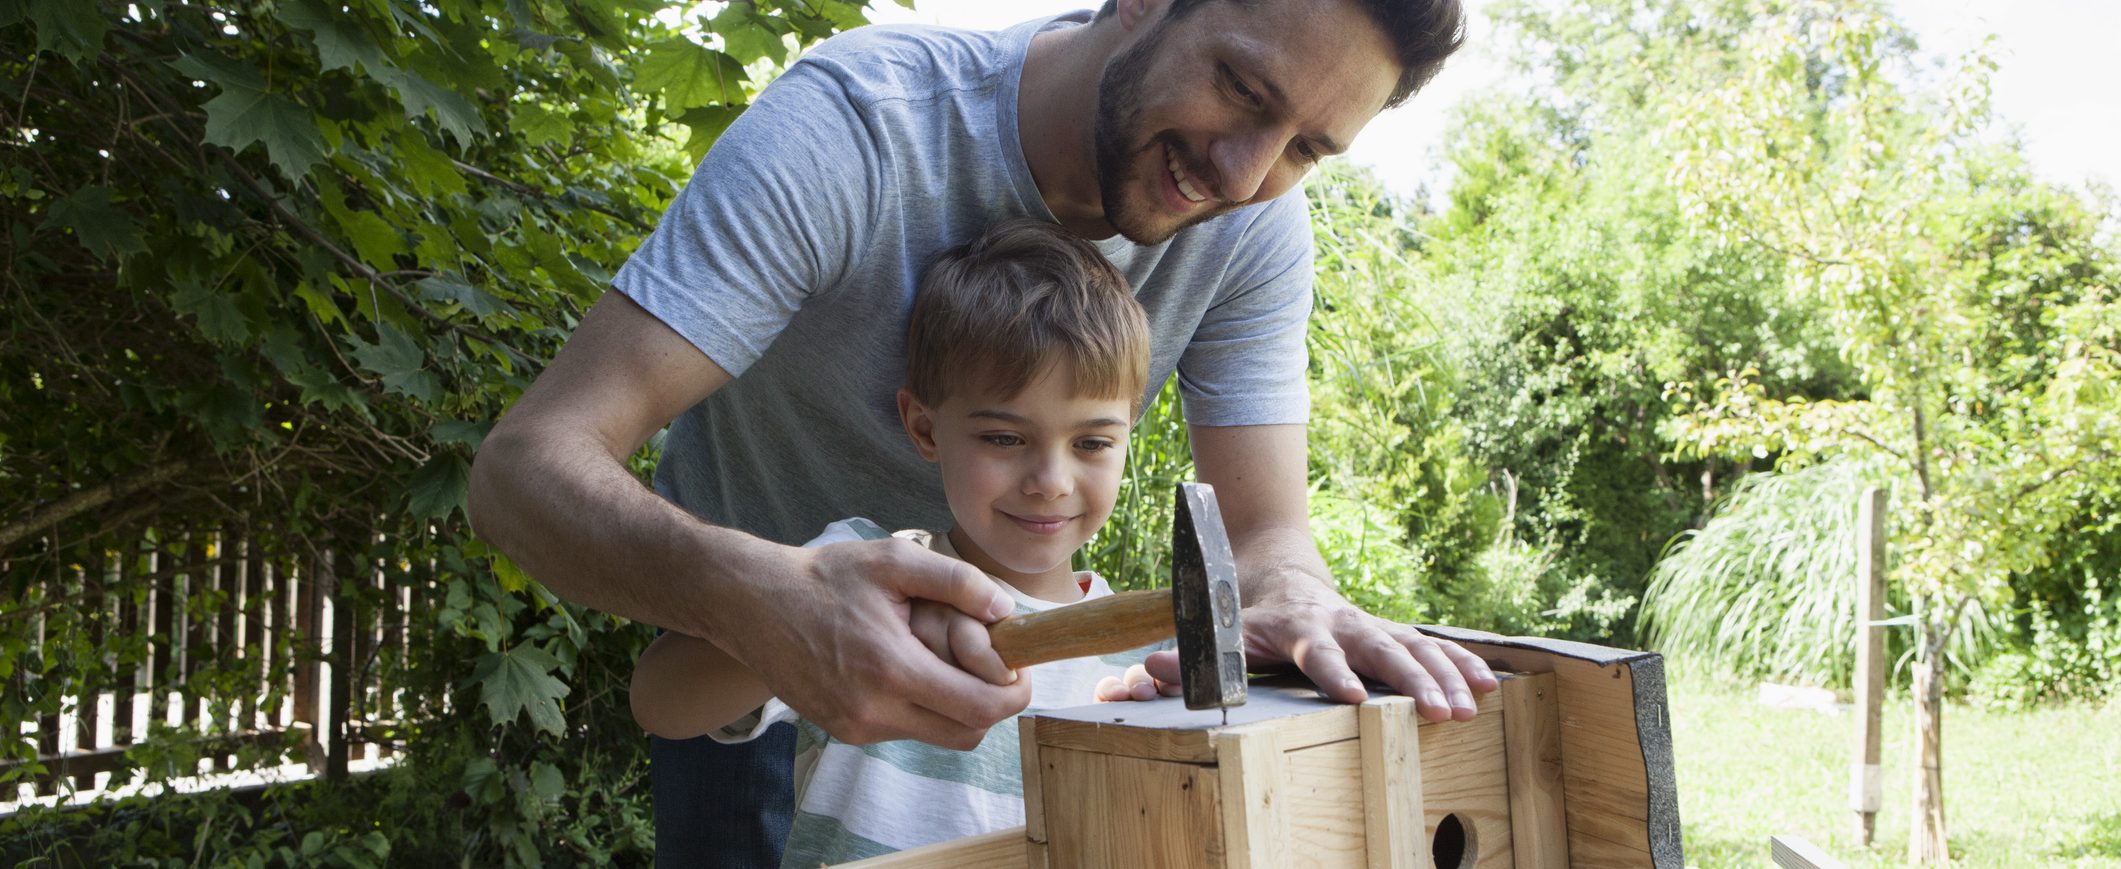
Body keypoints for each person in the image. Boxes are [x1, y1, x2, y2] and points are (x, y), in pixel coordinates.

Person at [468, 0, 1499, 863]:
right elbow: (525, 469)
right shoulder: (859, 127)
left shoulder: (1256, 228)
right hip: (751, 674)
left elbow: (1268, 535)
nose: (1241, 175)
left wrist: (1298, 600)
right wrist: (766, 607)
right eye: (1242, 86)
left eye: (1308, 147)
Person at [628, 220, 1173, 866]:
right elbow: (659, 701)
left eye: (1091, 442)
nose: (1050, 482)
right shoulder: (859, 575)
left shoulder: (1146, 664)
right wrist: (800, 625)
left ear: (1127, 434)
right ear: (924, 426)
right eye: (1003, 437)